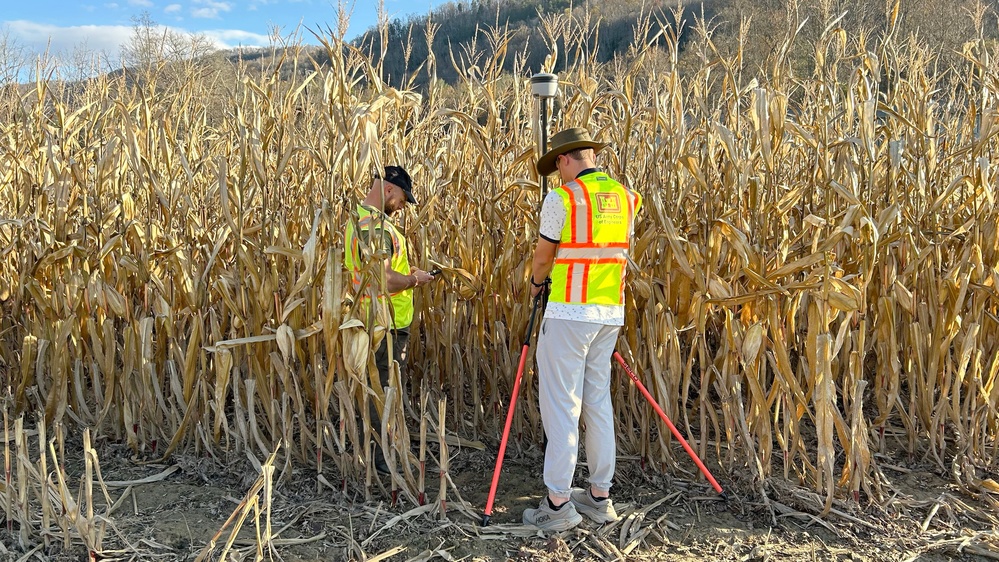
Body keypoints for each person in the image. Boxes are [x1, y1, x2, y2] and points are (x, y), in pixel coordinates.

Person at [522, 128, 642, 532]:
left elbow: (543, 257)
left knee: (562, 405)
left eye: (557, 167)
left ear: (564, 160)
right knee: (597, 402)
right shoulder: (626, 198)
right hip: (609, 313)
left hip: (570, 311)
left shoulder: (563, 197)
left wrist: (537, 285)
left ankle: (557, 504)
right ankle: (598, 496)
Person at [344, 165, 436, 474]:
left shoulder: (363, 222)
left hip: (377, 320)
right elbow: (380, 279)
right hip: (384, 324)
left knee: (380, 386)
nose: (401, 207)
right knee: (380, 388)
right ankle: (381, 459)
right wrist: (414, 279)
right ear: (388, 189)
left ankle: (381, 450)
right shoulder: (375, 228)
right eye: (401, 199)